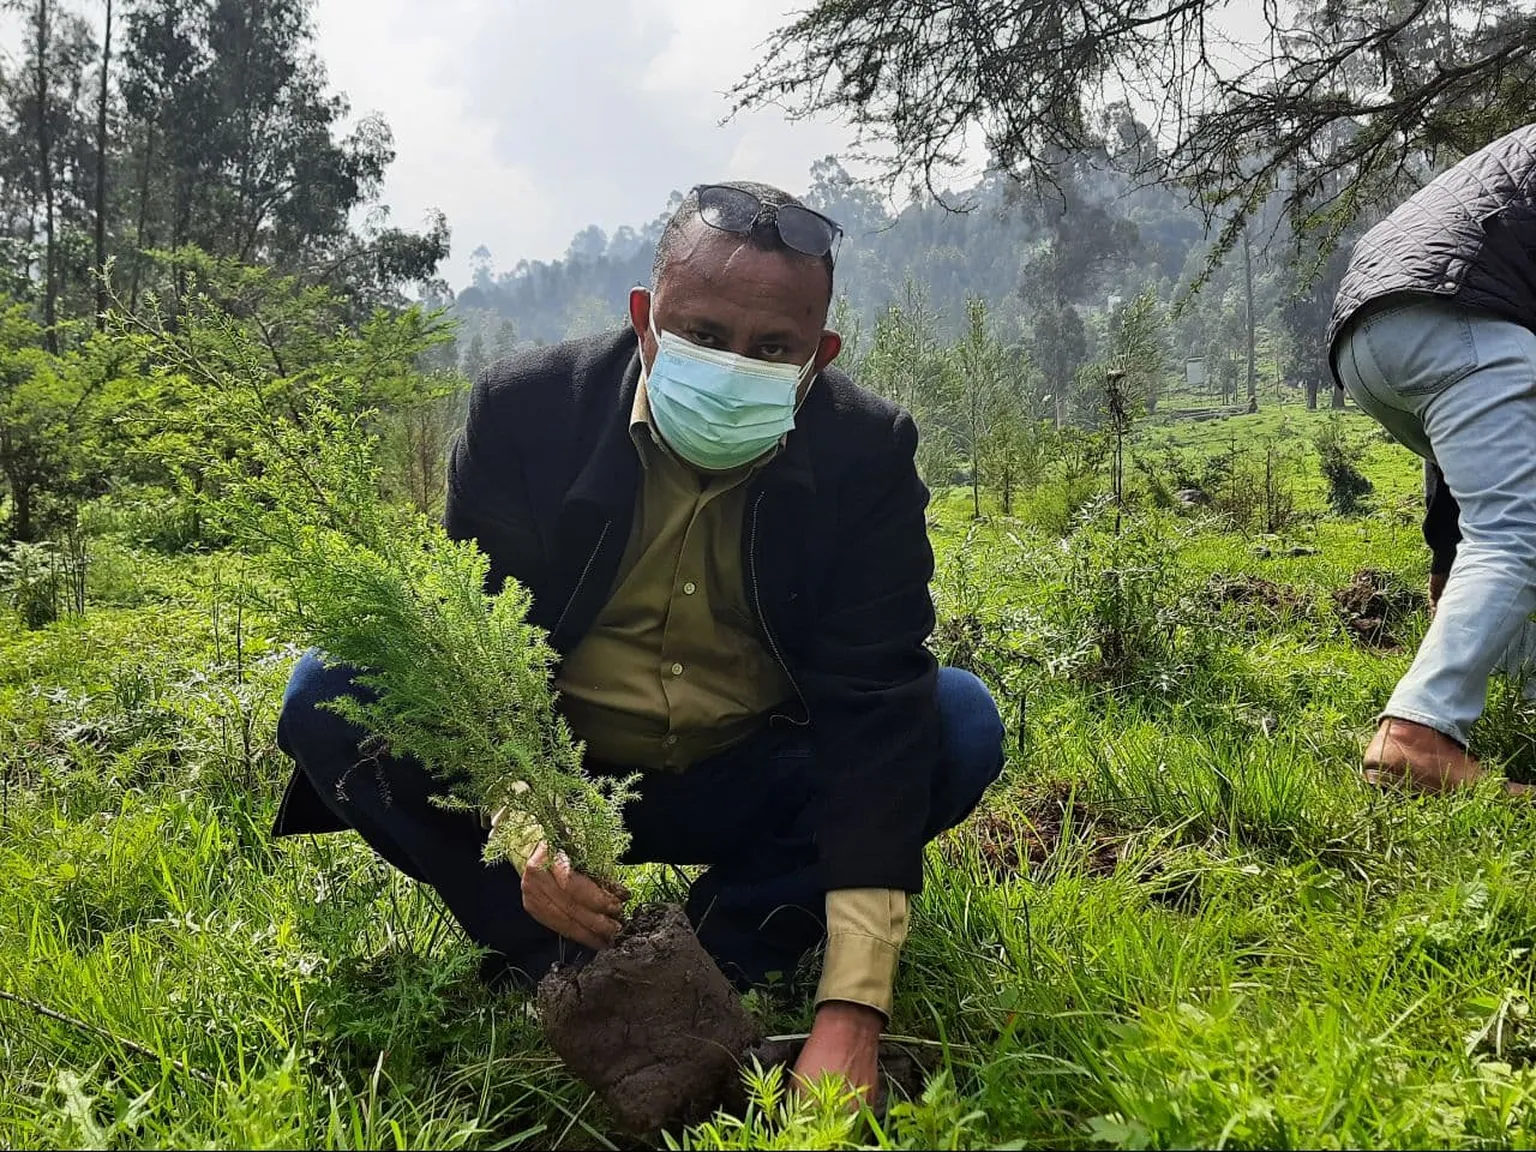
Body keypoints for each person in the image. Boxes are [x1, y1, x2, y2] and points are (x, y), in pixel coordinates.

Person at [271, 181, 1007, 1097]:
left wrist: (852, 1013)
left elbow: (876, 705)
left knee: (957, 722)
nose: (733, 365)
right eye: (700, 334)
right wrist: (527, 821)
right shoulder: (526, 412)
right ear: (646, 320)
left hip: (746, 772)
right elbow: (467, 658)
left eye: (772, 347)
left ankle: (717, 954)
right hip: (561, 770)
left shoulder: (867, 452)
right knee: (328, 690)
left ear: (818, 358)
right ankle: (558, 960)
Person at [1328, 123, 1536, 795]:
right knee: (1518, 531)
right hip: (1459, 319)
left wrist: (1445, 559)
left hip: (1367, 338)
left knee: (1501, 519)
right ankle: (1418, 735)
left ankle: (1516, 690)